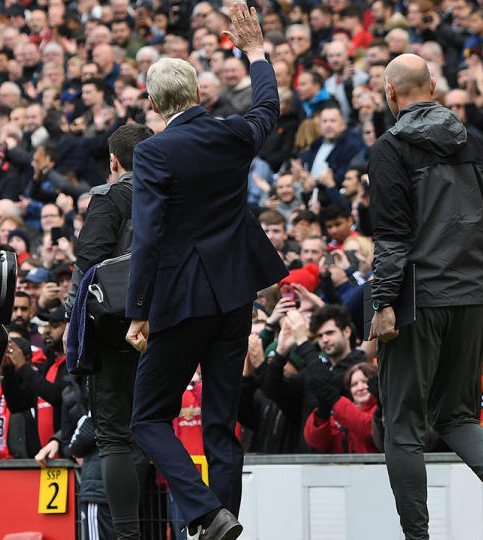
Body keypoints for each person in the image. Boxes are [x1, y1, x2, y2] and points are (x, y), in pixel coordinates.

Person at [123, 4, 287, 539]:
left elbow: (146, 238)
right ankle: (224, 522)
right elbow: (269, 106)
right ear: (198, 96)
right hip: (235, 295)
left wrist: (138, 313)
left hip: (181, 298)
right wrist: (256, 54)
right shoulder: (232, 134)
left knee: (148, 418)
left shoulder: (152, 153)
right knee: (220, 421)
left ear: (152, 103)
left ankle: (207, 514)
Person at [367, 53, 483, 540]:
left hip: (417, 297)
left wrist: (383, 302)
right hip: (470, 294)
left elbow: (392, 237)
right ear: (433, 87)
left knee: (402, 426)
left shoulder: (390, 148)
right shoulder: (474, 144)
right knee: (457, 413)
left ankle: (418, 536)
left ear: (391, 94)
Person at [66, 122, 154, 538]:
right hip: (170, 328)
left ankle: (127, 535)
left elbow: (88, 269)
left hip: (117, 333)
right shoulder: (177, 196)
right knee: (158, 429)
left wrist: (75, 329)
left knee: (115, 439)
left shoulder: (110, 196)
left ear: (114, 162)